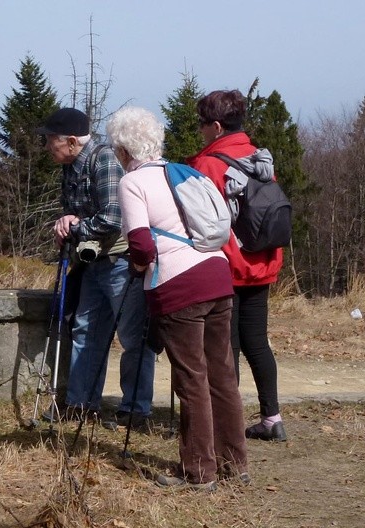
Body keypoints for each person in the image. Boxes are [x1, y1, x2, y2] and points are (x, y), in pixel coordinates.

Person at [109, 106, 249, 490]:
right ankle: (234, 465)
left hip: (179, 285)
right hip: (218, 275)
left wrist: (139, 268)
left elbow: (139, 242)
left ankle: (199, 474)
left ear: (123, 150)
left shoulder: (133, 183)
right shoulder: (183, 171)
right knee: (222, 374)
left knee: (191, 380)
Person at [36, 107, 154, 427]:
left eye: (50, 140)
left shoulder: (102, 159)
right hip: (93, 263)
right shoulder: (71, 166)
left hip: (121, 263)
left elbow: (114, 217)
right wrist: (67, 228)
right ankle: (81, 404)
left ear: (72, 141)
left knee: (132, 338)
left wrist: (75, 228)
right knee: (86, 332)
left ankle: (136, 409)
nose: (47, 146)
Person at [187, 90, 287, 442]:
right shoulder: (259, 157)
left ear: (216, 126)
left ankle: (223, 426)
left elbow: (198, 221)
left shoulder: (208, 165)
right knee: (257, 342)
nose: (199, 130)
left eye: (202, 124)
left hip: (228, 266)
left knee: (223, 348)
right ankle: (272, 418)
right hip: (263, 261)